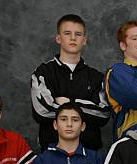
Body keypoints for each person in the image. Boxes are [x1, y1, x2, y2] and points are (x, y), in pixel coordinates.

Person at [31, 14, 110, 151]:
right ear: (58, 38)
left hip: (89, 154)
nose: (73, 38)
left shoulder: (97, 77)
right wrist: (84, 108)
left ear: (84, 40)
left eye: (78, 34)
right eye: (67, 33)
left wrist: (67, 102)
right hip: (52, 151)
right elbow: (42, 111)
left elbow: (103, 113)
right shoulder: (43, 72)